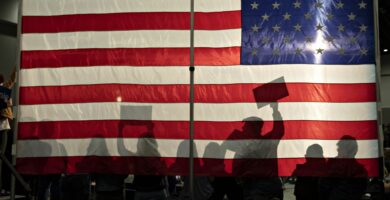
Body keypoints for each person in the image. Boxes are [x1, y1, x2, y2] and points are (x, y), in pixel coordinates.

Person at [318, 135, 368, 200]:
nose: (338, 149)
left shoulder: (359, 170)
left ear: (350, 150)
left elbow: (359, 191)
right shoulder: (331, 164)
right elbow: (322, 186)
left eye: (341, 147)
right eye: (339, 147)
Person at [0, 67, 16, 195]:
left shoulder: (4, 88)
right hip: (4, 124)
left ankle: (3, 187)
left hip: (3, 126)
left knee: (3, 157)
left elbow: (12, 79)